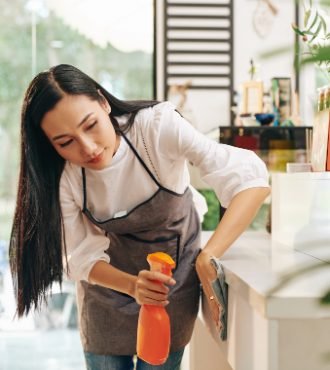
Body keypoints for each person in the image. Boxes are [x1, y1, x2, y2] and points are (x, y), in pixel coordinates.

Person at [9, 64, 270, 370]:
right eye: (66, 142)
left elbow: (249, 181)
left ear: (103, 102)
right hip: (106, 295)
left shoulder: (155, 129)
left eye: (91, 125)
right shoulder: (66, 177)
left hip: (169, 291)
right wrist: (133, 286)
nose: (88, 147)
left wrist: (208, 255)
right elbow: (80, 256)